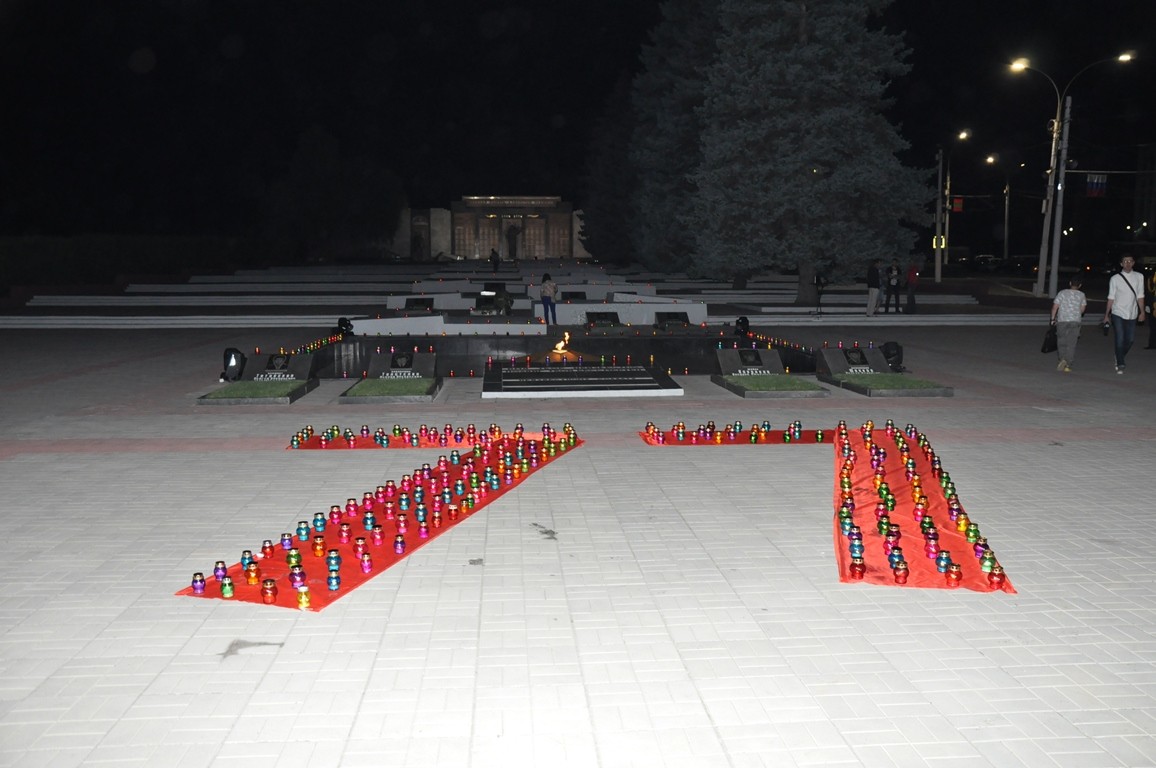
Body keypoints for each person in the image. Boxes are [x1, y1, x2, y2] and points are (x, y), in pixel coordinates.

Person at [1102, 254, 1145, 374]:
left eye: (1130, 261)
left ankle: (1119, 355)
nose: (1128, 263)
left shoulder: (1139, 276)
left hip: (1132, 313)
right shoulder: (1115, 279)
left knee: (1130, 340)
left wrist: (1142, 312)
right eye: (1125, 261)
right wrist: (1107, 315)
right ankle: (1120, 362)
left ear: (1133, 263)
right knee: (1120, 338)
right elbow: (1111, 297)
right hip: (1118, 312)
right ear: (1121, 264)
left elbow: (1140, 296)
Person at [1050, 277, 1087, 372]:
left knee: (1061, 341)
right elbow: (1082, 310)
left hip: (1062, 320)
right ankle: (1068, 364)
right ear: (1080, 285)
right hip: (1075, 321)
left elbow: (1055, 307)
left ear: (1070, 283)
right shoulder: (1081, 295)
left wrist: (1053, 319)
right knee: (1071, 343)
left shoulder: (1062, 293)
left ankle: (1062, 359)